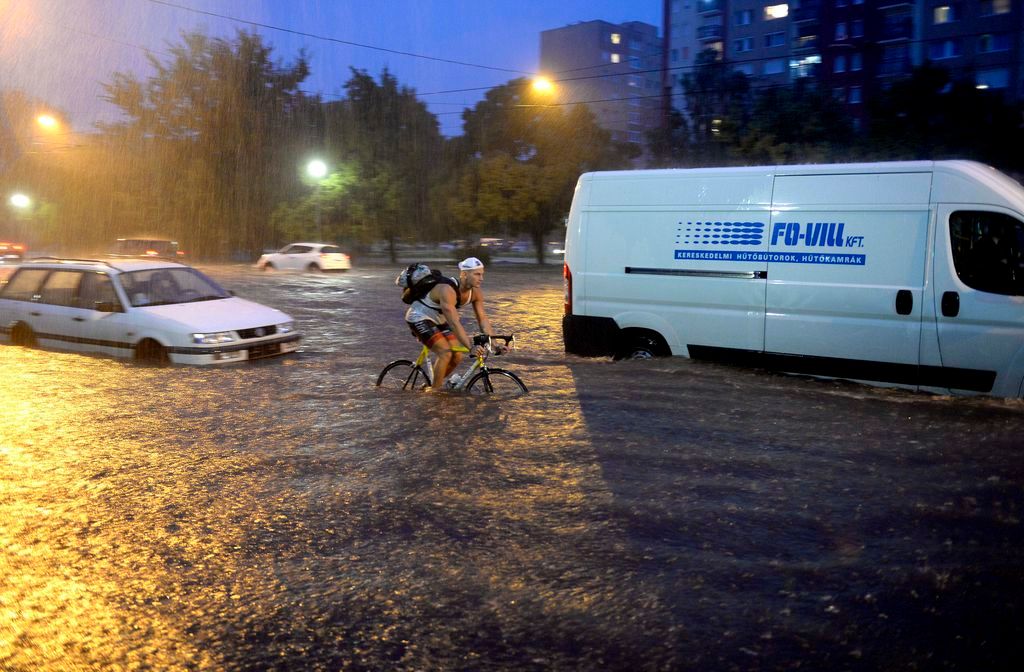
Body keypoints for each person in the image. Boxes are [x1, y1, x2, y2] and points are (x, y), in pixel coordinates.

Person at [405, 256, 504, 390]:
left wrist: (495, 344)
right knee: (445, 353)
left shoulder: (476, 293)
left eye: (482, 274)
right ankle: (434, 395)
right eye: (477, 274)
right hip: (419, 317)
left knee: (457, 355)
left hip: (439, 320)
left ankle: (432, 385)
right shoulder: (447, 290)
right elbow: (454, 323)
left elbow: (483, 320)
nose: (481, 278)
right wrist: (471, 347)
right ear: (464, 274)